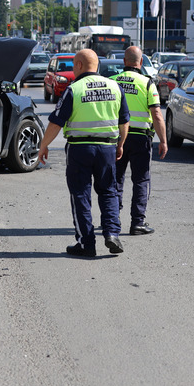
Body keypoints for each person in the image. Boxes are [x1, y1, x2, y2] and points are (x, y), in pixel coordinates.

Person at [38, 49, 130, 257]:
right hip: (107, 148)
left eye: (73, 65)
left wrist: (43, 145)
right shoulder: (115, 87)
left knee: (80, 194)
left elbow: (56, 122)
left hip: (80, 149)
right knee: (108, 192)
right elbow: (124, 120)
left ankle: (86, 244)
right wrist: (120, 144)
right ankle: (112, 234)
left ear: (79, 65)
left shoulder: (75, 89)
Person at [110, 46, 167, 235]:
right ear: (141, 62)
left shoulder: (112, 82)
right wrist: (164, 141)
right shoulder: (147, 83)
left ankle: (112, 220)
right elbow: (157, 114)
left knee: (116, 179)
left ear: (124, 62)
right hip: (141, 138)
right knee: (141, 180)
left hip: (117, 138)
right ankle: (137, 223)